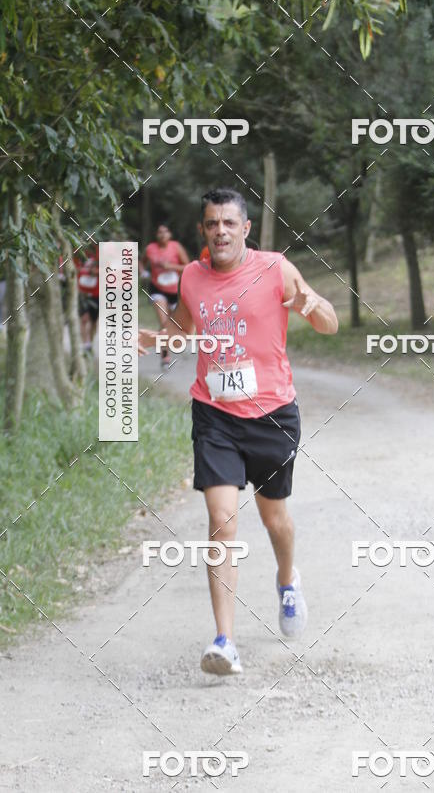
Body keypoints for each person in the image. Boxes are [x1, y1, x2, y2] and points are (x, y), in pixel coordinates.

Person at [139, 187, 338, 675]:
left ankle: (287, 581)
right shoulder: (192, 275)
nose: (221, 231)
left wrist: (312, 304)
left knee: (275, 521)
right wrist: (159, 338)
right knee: (221, 521)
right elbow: (186, 328)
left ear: (245, 229)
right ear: (203, 230)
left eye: (230, 223)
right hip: (215, 414)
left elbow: (329, 324)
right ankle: (224, 640)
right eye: (212, 224)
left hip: (272, 414)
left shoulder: (275, 268)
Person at [142, 225, 189, 366]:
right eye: (159, 232)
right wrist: (143, 271)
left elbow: (188, 266)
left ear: (170, 234)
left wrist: (171, 267)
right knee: (164, 322)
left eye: (165, 231)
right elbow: (141, 262)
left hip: (176, 291)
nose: (162, 234)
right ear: (156, 235)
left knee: (174, 324)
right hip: (157, 289)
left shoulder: (176, 247)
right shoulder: (150, 249)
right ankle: (165, 353)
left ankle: (168, 343)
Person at [75, 245, 100, 354]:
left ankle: (90, 341)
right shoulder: (78, 253)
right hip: (82, 294)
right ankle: (85, 344)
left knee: (93, 321)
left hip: (96, 294)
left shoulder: (99, 255)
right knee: (84, 319)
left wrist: (96, 271)